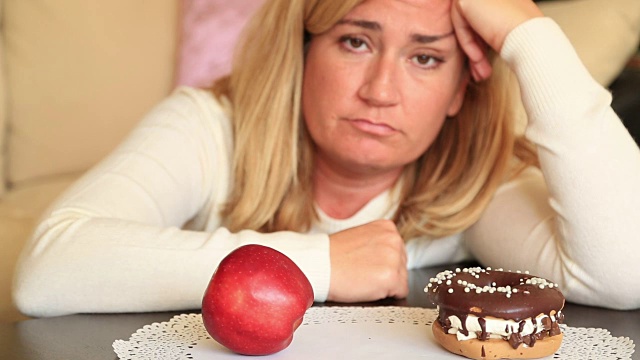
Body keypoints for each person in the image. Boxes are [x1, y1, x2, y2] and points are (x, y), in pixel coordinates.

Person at [13, 0, 640, 317]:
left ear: (459, 91)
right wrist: (320, 264)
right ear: (304, 49)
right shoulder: (208, 126)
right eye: (356, 41)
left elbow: (626, 272)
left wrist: (528, 35)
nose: (380, 91)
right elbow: (49, 270)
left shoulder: (471, 185)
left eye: (425, 58)